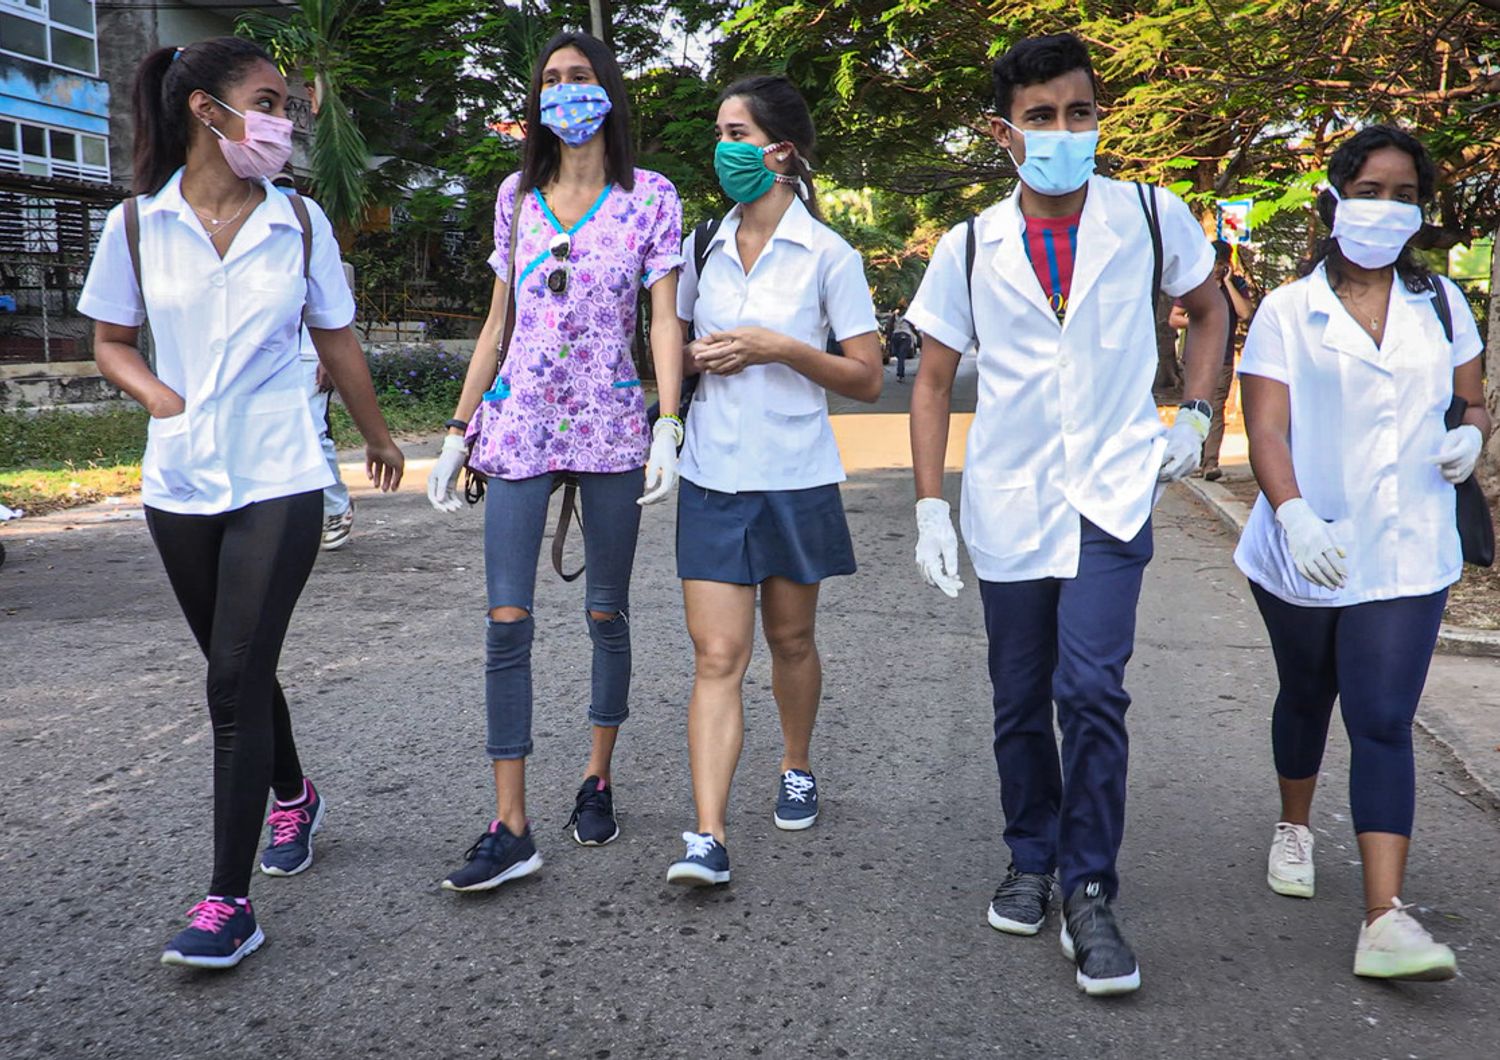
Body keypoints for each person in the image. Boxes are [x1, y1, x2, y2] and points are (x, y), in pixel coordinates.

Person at [905, 33, 1228, 996]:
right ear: (1004, 133)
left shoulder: (1151, 214)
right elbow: (929, 381)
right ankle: (1029, 859)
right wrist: (930, 504)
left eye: (1078, 114)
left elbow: (1210, 311)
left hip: (1113, 490)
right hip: (1009, 496)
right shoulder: (967, 244)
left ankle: (1089, 886)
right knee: (1018, 698)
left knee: (1091, 690)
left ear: (1098, 118)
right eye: (1040, 117)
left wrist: (1198, 414)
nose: (1061, 132)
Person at [76, 37, 404, 969]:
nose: (285, 120)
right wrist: (160, 399)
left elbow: (335, 339)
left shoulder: (298, 222)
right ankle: (294, 793)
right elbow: (109, 339)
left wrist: (378, 436)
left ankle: (227, 902)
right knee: (240, 665)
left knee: (229, 679)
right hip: (179, 479)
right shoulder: (136, 225)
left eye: (285, 106)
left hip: (279, 473)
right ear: (204, 111)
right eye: (267, 100)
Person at [426, 31, 684, 892]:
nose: (565, 93)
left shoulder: (650, 197)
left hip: (612, 424)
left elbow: (662, 321)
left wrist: (671, 422)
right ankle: (510, 823)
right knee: (507, 622)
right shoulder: (518, 196)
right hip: (521, 425)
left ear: (608, 90)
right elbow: (500, 322)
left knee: (606, 614)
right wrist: (460, 427)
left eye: (579, 78)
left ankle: (597, 777)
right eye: (550, 82)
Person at [1234, 126, 1489, 982]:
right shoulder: (1284, 309)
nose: (1388, 207)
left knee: (1382, 719)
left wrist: (1473, 440)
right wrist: (1295, 515)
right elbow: (1265, 425)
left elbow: (1472, 400)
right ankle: (1295, 825)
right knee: (1307, 695)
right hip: (1306, 540)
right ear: (1336, 198)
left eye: (1404, 193)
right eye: (1371, 189)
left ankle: (1384, 916)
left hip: (1411, 544)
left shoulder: (1446, 304)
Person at [665, 75, 882, 887]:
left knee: (790, 640)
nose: (723, 148)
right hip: (713, 473)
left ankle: (796, 763)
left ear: (779, 149)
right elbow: (671, 350)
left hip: (795, 475)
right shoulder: (700, 245)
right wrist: (694, 357)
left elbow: (864, 377)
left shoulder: (830, 255)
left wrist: (776, 346)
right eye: (719, 132)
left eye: (736, 132)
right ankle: (707, 836)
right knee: (717, 655)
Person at [272, 170, 355, 549]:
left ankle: (336, 507)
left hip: (309, 349)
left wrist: (328, 358)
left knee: (312, 433)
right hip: (269, 352)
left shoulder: (308, 222)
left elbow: (332, 309)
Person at [1198, 239, 1257, 480]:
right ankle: (1197, 459)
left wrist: (1228, 283)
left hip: (1221, 357)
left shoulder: (1236, 284)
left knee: (1216, 409)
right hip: (1196, 357)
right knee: (1196, 407)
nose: (1216, 268)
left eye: (1221, 264)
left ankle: (1210, 462)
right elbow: (1175, 317)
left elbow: (1245, 313)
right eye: (1213, 263)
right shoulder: (1197, 283)